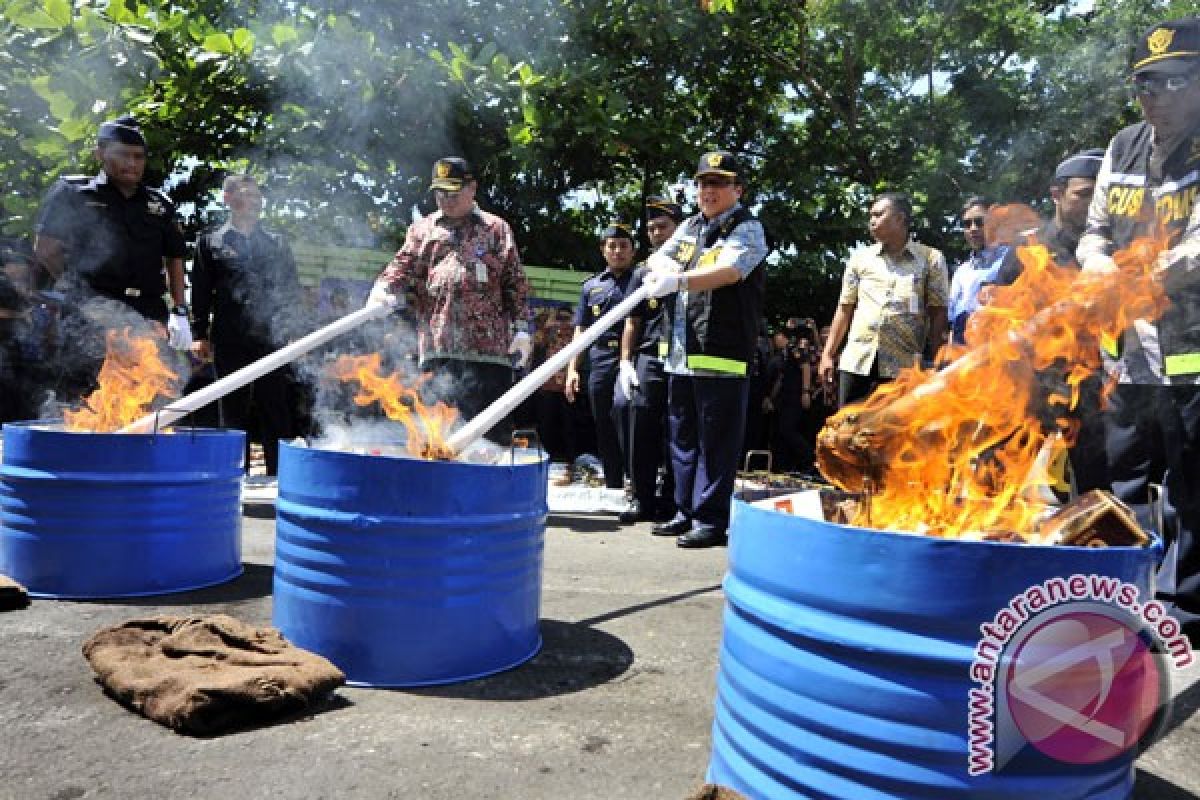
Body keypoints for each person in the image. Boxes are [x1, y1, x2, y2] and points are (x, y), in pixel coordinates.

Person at [1076, 17, 1200, 641]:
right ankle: (1118, 594)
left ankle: (1183, 609)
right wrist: (1101, 266)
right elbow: (1094, 231)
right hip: (1126, 351)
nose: (1154, 96)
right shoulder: (1124, 145)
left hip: (1191, 348)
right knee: (1122, 474)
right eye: (1145, 84)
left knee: (1189, 482)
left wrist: (1145, 274)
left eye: (1172, 81)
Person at [641, 151, 770, 548]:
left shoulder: (747, 228)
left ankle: (711, 519)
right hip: (681, 354)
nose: (708, 191)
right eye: (702, 183)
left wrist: (676, 281)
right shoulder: (691, 227)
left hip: (722, 354)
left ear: (737, 189)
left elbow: (730, 271)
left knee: (717, 443)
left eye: (718, 183)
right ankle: (684, 511)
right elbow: (657, 258)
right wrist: (656, 269)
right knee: (682, 438)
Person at [367, 157, 531, 443]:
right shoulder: (422, 230)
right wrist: (382, 288)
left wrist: (522, 328)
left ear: (472, 188)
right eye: (440, 193)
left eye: (454, 192)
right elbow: (401, 267)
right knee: (436, 437)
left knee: (489, 438)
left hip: (488, 354)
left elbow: (514, 282)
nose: (447, 199)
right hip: (437, 350)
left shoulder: (495, 229)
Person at [982, 149, 1108, 494]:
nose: (1093, 204)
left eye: (1100, 196)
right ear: (1057, 195)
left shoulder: (1111, 250)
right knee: (997, 484)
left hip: (1091, 385)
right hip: (1030, 385)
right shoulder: (1030, 246)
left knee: (1097, 492)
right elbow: (998, 309)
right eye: (1083, 195)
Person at [32, 115, 189, 342]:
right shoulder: (73, 193)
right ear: (100, 154)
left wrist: (180, 311)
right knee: (94, 376)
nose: (132, 163)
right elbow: (46, 249)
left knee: (153, 375)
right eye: (123, 154)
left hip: (148, 316)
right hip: (93, 312)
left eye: (138, 157)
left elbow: (175, 257)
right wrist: (80, 294)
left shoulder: (160, 204)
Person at [190, 175, 304, 477]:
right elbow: (200, 292)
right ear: (227, 199)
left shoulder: (276, 242)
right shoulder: (211, 241)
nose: (254, 201)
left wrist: (292, 331)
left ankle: (278, 478)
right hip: (230, 338)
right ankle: (231, 476)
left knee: (275, 408)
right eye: (245, 194)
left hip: (271, 339)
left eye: (257, 195)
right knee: (232, 409)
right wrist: (199, 334)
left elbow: (290, 289)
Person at [818, 192, 949, 407]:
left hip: (903, 367)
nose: (871, 221)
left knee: (893, 435)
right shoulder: (860, 259)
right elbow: (844, 308)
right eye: (870, 215)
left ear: (900, 218)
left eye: (878, 215)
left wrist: (936, 362)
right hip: (857, 361)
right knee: (846, 430)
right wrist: (828, 354)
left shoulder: (931, 259)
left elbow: (938, 313)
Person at [614, 198, 684, 523]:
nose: (656, 233)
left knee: (678, 430)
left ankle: (671, 501)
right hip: (650, 355)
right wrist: (626, 362)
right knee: (639, 421)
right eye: (651, 228)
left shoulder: (694, 267)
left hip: (684, 357)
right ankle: (641, 498)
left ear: (679, 228)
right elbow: (633, 320)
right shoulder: (644, 271)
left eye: (663, 227)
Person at [564, 223, 639, 492]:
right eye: (612, 246)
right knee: (603, 423)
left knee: (628, 419)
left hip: (632, 359)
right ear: (603, 250)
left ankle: (636, 482)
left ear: (633, 250)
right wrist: (573, 369)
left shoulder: (640, 280)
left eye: (623, 246)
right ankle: (614, 484)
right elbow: (580, 330)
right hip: (600, 359)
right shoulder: (591, 287)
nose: (618, 251)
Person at [946, 196, 1010, 345]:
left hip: (998, 350)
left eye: (979, 222)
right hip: (963, 354)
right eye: (967, 224)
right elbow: (953, 323)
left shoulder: (1012, 259)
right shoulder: (961, 272)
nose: (973, 228)